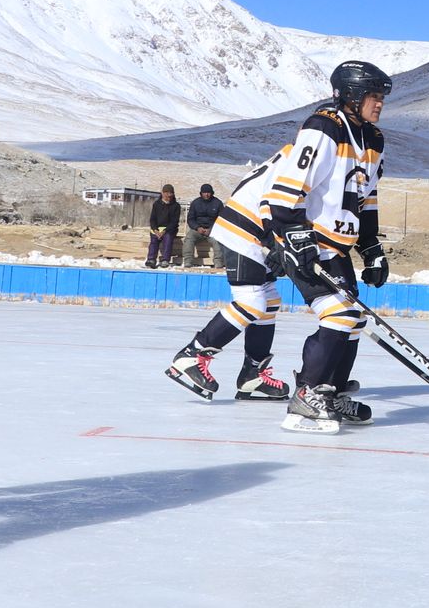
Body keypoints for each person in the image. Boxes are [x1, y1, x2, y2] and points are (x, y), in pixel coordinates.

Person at [166, 61, 391, 424]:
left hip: (297, 231)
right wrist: (289, 233)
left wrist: (371, 247)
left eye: (382, 98)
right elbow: (285, 190)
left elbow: (364, 197)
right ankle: (194, 358)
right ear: (350, 95)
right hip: (252, 225)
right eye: (373, 96)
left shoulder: (371, 140)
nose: (379, 104)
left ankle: (283, 382)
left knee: (331, 311)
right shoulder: (325, 128)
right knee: (260, 301)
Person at [182, 183, 224, 268]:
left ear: (212, 193)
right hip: (198, 229)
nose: (207, 194)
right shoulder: (195, 203)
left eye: (208, 192)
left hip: (213, 230)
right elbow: (190, 219)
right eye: (204, 192)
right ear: (201, 193)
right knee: (189, 239)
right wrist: (197, 228)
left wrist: (211, 229)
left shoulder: (218, 203)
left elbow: (221, 220)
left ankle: (218, 263)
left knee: (218, 241)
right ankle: (188, 262)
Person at [145, 184, 181, 268]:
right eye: (166, 193)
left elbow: (174, 222)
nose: (168, 195)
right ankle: (151, 259)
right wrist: (155, 230)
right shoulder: (156, 204)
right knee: (154, 240)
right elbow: (152, 219)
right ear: (162, 193)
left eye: (170, 193)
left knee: (168, 238)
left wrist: (165, 231)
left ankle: (165, 259)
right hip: (157, 229)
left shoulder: (176, 206)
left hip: (170, 229)